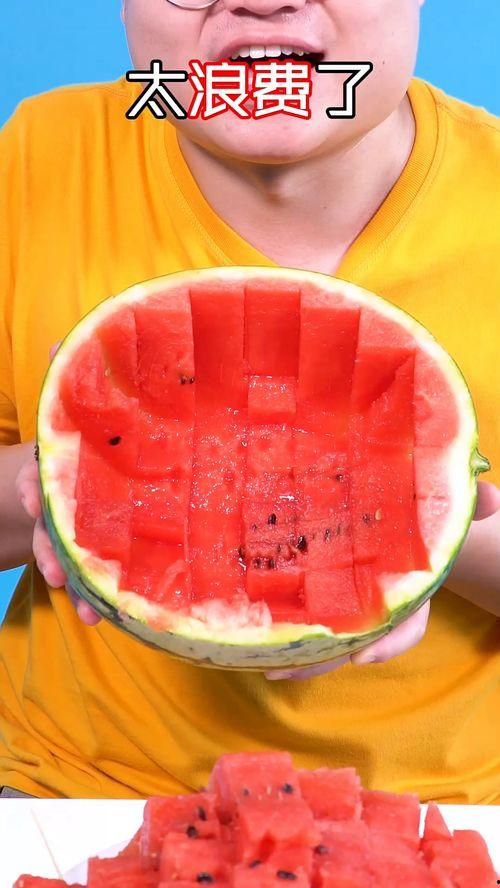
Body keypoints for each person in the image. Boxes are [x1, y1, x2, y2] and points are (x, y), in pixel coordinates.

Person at [0, 0, 499, 802]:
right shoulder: (41, 153)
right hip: (69, 789)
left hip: (450, 812)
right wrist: (78, 477)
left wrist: (414, 533)